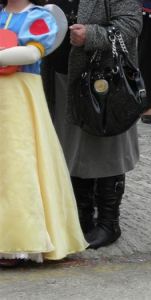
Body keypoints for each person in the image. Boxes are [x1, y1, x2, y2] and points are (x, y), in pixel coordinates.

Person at [41, 0, 143, 249]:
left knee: (107, 148)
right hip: (60, 75)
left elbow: (131, 23)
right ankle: (81, 217)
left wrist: (92, 35)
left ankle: (109, 222)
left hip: (104, 79)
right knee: (69, 147)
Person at [0, 0, 87, 267]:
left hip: (21, 95)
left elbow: (32, 54)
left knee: (19, 162)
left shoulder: (40, 17)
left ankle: (17, 242)